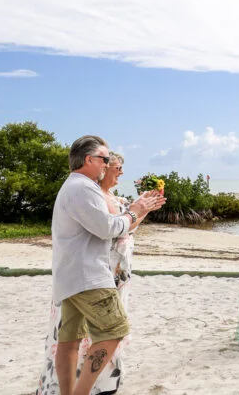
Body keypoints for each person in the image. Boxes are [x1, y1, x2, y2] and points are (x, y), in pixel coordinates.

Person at [46, 136, 165, 395]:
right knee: (115, 330)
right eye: (105, 159)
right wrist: (134, 210)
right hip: (89, 276)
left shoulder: (73, 186)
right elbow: (107, 228)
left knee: (69, 340)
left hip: (70, 277)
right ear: (89, 160)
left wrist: (139, 209)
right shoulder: (83, 187)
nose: (108, 164)